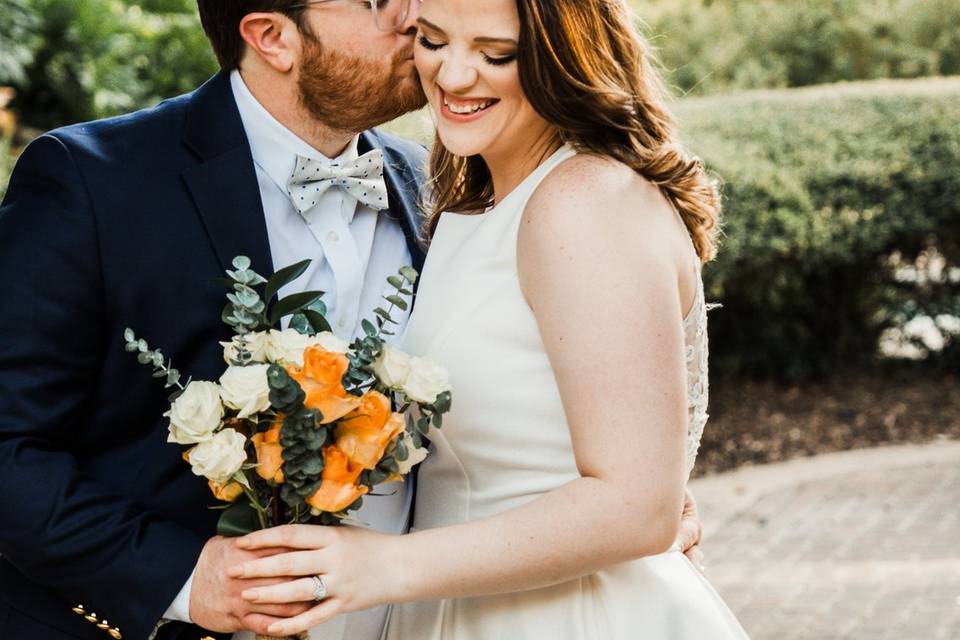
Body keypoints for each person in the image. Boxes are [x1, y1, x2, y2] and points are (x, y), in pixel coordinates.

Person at [224, 0, 745, 638]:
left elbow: (638, 507)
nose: (452, 76)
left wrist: (385, 566)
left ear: (564, 57)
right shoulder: (471, 201)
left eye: (495, 54)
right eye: (434, 40)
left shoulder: (584, 202)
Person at [0, 2, 427, 639]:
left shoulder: (432, 179)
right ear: (272, 37)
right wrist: (179, 578)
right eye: (374, 1)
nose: (413, 13)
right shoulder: (91, 181)